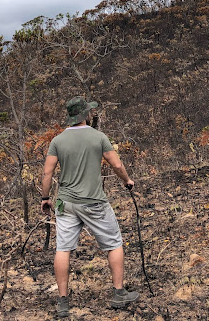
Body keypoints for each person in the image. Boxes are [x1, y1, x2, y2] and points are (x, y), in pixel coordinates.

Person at [41, 96, 140, 318]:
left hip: (65, 203)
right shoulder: (99, 137)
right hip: (94, 202)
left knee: (63, 248)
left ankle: (63, 301)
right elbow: (116, 164)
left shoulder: (57, 141)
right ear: (85, 115)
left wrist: (45, 198)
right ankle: (118, 293)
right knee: (114, 243)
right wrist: (127, 181)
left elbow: (47, 172)